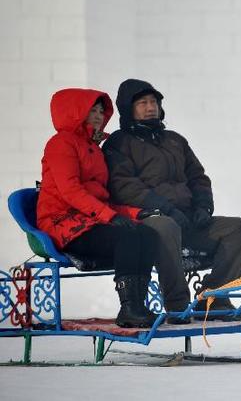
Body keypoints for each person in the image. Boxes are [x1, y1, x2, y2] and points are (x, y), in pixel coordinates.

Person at [103, 79, 241, 324]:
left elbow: (198, 177)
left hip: (187, 218)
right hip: (149, 220)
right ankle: (177, 304)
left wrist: (203, 207)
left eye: (154, 102)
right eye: (143, 103)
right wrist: (167, 209)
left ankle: (214, 298)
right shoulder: (119, 143)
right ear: (128, 108)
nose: (150, 107)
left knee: (239, 228)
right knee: (166, 225)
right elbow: (123, 186)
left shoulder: (175, 140)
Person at [37, 89, 158, 328]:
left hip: (90, 220)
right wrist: (109, 217)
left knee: (147, 234)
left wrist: (133, 213)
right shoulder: (61, 144)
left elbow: (101, 198)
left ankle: (137, 304)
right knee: (127, 237)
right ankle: (129, 307)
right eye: (91, 110)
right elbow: (70, 191)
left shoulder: (92, 147)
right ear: (75, 113)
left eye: (101, 111)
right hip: (64, 223)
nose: (98, 115)